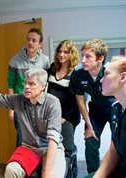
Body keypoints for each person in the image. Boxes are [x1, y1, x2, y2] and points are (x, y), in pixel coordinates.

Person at [0, 59, 65, 178]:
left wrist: (47, 170)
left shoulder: (52, 102)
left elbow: (53, 138)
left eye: (32, 84)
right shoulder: (18, 99)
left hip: (50, 147)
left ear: (42, 87)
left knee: (51, 176)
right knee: (11, 170)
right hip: (29, 148)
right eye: (26, 83)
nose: (26, 87)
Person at [69, 39, 116, 173]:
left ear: (100, 58)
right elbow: (80, 101)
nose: (83, 60)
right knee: (90, 139)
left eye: (88, 56)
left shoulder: (111, 72)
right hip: (96, 110)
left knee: (120, 141)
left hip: (115, 109)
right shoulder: (78, 74)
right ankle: (93, 173)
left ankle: (120, 171)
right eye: (82, 55)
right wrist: (89, 126)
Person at [7, 27, 50, 147]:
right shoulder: (15, 60)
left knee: (40, 139)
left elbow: (46, 84)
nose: (30, 42)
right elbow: (11, 86)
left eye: (34, 40)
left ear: (40, 44)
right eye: (28, 39)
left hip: (39, 106)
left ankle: (38, 165)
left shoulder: (45, 61)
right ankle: (20, 165)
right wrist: (11, 109)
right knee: (22, 139)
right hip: (20, 105)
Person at [46, 40, 81, 176]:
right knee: (52, 142)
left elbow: (72, 100)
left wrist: (63, 117)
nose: (61, 54)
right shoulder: (52, 67)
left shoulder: (75, 74)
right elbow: (47, 90)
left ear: (71, 54)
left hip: (69, 114)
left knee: (67, 145)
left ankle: (71, 170)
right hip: (52, 111)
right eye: (60, 51)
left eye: (65, 52)